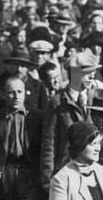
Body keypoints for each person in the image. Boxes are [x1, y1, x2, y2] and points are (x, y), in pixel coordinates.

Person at [40, 49, 98, 188]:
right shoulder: (57, 102)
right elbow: (49, 143)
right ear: (74, 73)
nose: (91, 77)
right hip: (65, 170)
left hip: (93, 169)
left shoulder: (96, 97)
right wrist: (47, 179)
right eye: (86, 73)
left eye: (93, 72)